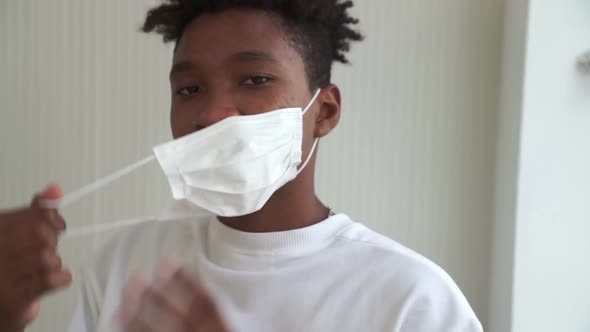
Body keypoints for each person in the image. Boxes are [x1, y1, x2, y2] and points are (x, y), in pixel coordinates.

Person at [0, 1, 483, 331]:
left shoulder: (411, 300)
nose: (211, 114)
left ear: (325, 112)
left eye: (254, 79)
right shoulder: (126, 265)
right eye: (189, 89)